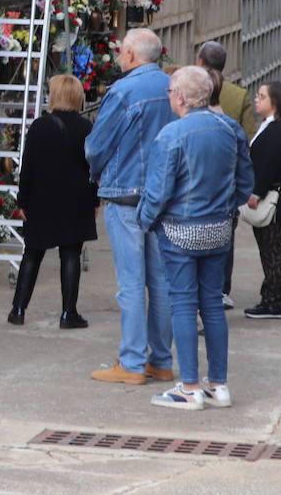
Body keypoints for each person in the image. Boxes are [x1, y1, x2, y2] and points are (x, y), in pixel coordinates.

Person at [138, 67, 254, 410]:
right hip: (219, 228)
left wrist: (144, 220)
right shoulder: (229, 128)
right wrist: (225, 208)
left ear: (181, 96)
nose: (170, 96)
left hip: (179, 230)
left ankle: (189, 386)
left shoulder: (171, 134)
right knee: (213, 305)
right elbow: (246, 182)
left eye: (172, 91)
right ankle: (218, 385)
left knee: (184, 306)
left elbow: (158, 192)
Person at [85, 28, 177, 386]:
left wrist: (96, 174)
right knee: (162, 281)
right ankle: (162, 360)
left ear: (132, 55)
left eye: (122, 51)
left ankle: (133, 363)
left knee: (131, 283)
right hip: (163, 195)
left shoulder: (122, 92)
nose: (118, 57)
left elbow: (96, 146)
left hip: (125, 194)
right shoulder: (171, 87)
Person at [9, 74, 96, 329]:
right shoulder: (86, 127)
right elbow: (93, 167)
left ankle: (18, 308)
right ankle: (69, 313)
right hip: (76, 199)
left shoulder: (39, 126)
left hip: (41, 198)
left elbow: (28, 167)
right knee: (71, 254)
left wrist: (22, 200)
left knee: (33, 253)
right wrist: (94, 200)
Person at [196, 40, 255, 310]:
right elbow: (249, 137)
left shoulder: (190, 88)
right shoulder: (239, 95)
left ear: (199, 62)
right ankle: (221, 288)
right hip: (227, 179)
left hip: (196, 176)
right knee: (226, 235)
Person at [245, 81, 281, 319]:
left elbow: (269, 166)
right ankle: (280, 296)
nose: (257, 99)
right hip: (271, 194)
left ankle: (273, 301)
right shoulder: (270, 126)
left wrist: (256, 192)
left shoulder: (279, 130)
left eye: (262, 96)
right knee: (269, 248)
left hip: (274, 198)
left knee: (272, 249)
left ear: (275, 102)